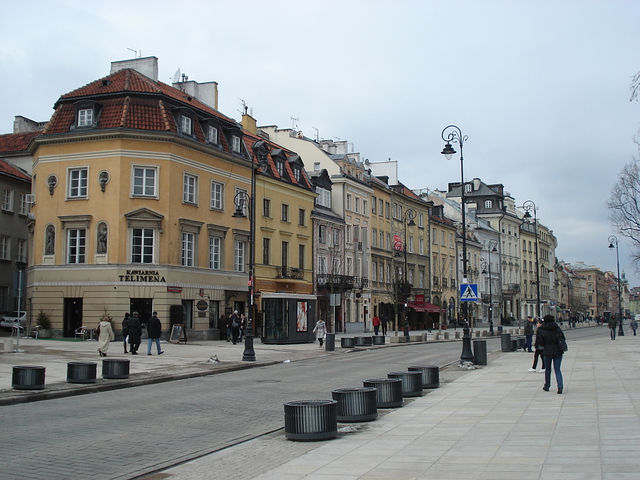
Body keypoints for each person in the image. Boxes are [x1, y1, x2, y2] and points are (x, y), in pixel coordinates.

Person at [536, 314, 565, 394]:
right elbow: (562, 338)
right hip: (558, 351)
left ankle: (547, 385)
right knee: (557, 369)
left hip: (547, 351)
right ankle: (560, 386)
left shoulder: (541, 329)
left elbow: (540, 342)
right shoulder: (557, 328)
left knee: (548, 370)